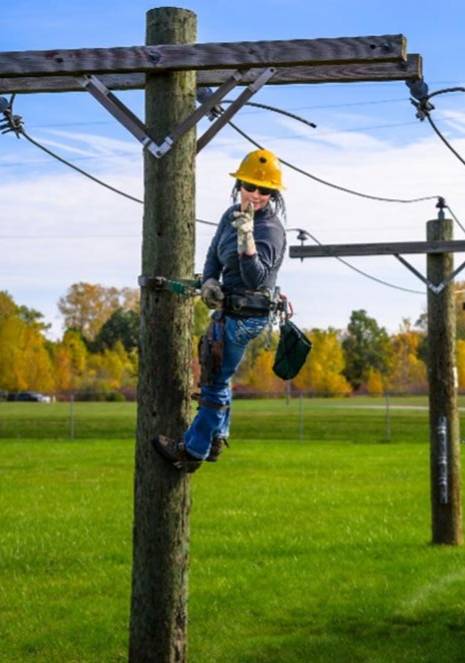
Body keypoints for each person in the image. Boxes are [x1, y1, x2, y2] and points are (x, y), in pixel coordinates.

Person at [153, 148, 287, 472]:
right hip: (227, 308)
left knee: (214, 379)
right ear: (239, 184)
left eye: (264, 190)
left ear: (273, 195)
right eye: (249, 186)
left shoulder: (271, 230)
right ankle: (216, 436)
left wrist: (247, 238)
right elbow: (213, 254)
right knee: (218, 373)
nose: (255, 194)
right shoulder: (230, 216)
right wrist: (211, 280)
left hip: (247, 316)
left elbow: (256, 278)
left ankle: (193, 449)